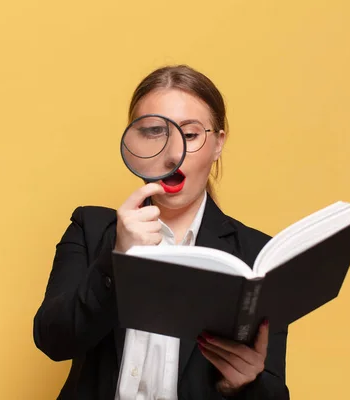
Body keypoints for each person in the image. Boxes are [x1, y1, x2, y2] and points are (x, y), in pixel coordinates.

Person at [33, 65, 290, 399]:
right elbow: (52, 340)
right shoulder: (90, 229)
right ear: (133, 141)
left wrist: (243, 384)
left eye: (191, 134)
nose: (173, 155)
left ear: (218, 144)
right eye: (154, 131)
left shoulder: (257, 254)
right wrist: (117, 260)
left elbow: (275, 391)